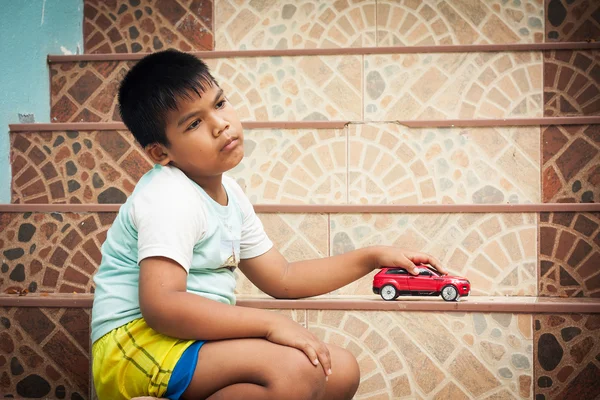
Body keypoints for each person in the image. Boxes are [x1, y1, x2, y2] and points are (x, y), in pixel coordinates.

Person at [90, 48, 446, 400]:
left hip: (188, 342)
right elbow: (163, 306)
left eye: (219, 103)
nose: (220, 124)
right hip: (133, 348)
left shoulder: (228, 192)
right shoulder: (169, 195)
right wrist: (273, 323)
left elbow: (283, 278)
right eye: (194, 123)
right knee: (295, 370)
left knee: (339, 371)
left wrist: (371, 258)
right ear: (160, 153)